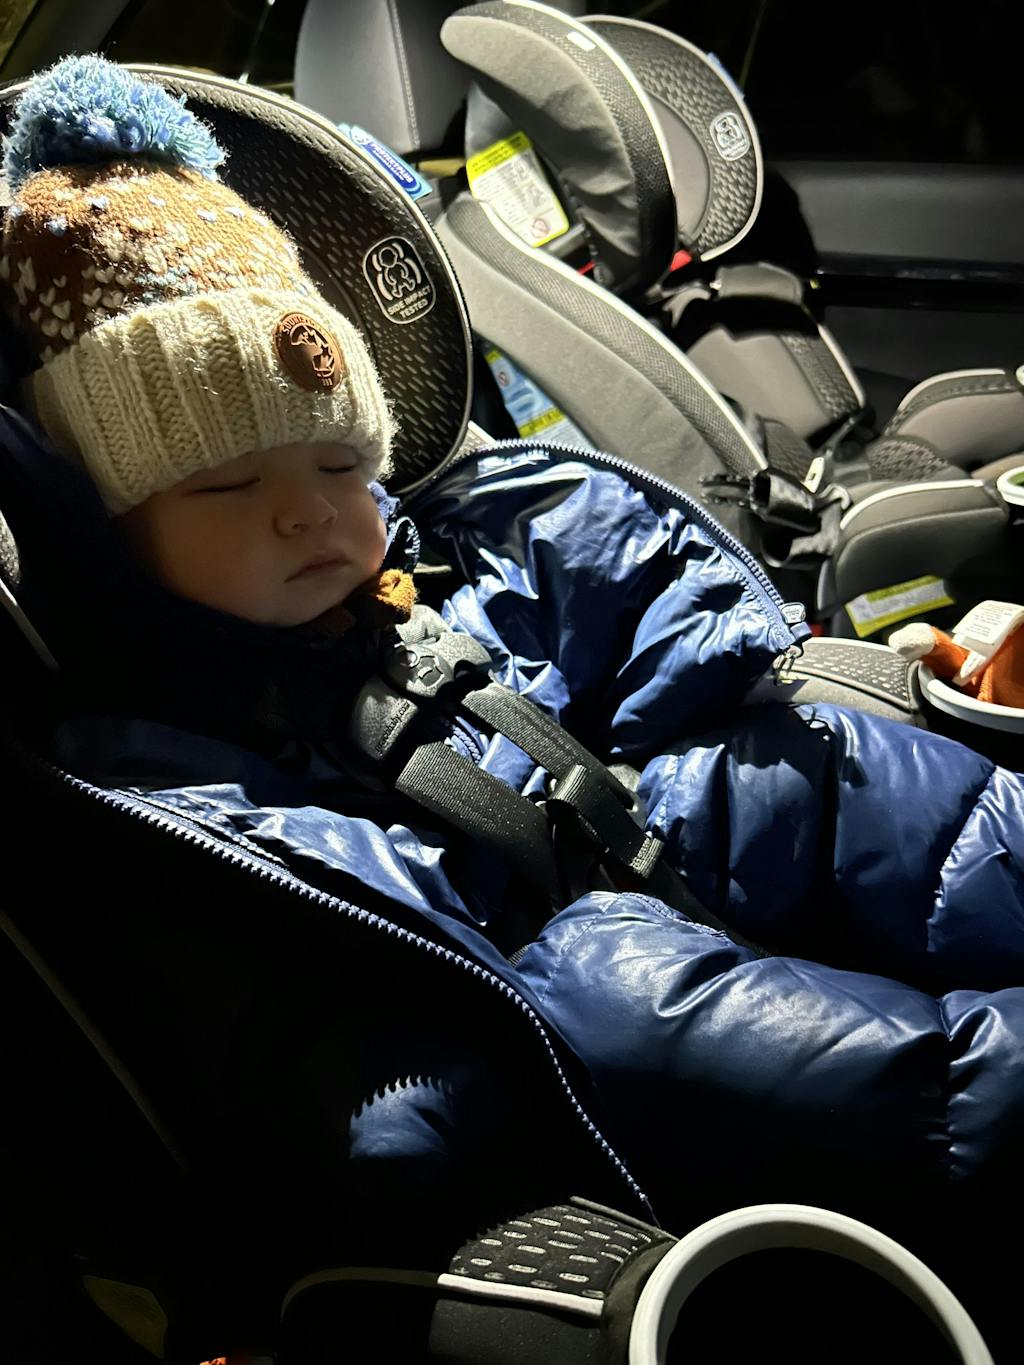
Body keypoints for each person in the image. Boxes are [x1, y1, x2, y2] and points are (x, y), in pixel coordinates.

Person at [3, 55, 1024, 1356]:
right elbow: (324, 1033)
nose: (312, 513)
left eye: (338, 462)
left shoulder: (461, 561)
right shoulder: (161, 767)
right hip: (532, 978)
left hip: (643, 808)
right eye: (227, 486)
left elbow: (650, 640)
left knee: (818, 768)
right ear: (109, 524)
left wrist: (709, 699)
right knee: (620, 993)